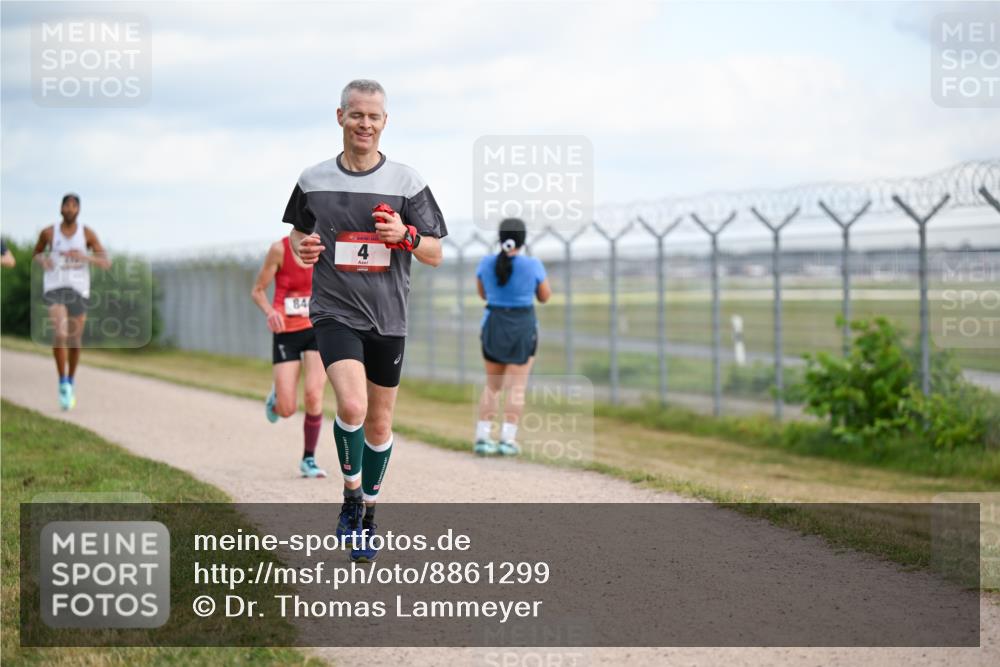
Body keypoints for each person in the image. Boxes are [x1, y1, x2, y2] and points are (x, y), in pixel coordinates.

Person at [283, 79, 446, 562]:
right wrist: (303, 247)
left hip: (388, 317)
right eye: (356, 115)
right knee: (351, 406)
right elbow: (297, 236)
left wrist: (406, 234)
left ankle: (369, 514)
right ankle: (351, 497)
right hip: (334, 311)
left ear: (385, 122)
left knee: (379, 422)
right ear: (340, 117)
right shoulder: (313, 179)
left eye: (374, 116)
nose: (365, 124)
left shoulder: (407, 182)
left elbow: (435, 252)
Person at [250, 235, 328, 479]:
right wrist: (270, 312)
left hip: (318, 328)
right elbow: (258, 290)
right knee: (286, 410)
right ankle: (276, 398)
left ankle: (309, 459)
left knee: (314, 394)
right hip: (286, 331)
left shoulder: (326, 246)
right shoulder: (279, 249)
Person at [474, 218, 551, 456]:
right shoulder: (533, 264)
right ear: (523, 238)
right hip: (523, 328)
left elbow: (483, 294)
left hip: (493, 324)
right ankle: (507, 441)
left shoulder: (486, 263)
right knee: (517, 388)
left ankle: (483, 438)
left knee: (493, 386)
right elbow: (545, 296)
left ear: (500, 236)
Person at [32, 193, 111, 410]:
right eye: (66, 205)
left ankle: (71, 379)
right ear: (60, 209)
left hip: (79, 288)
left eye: (74, 205)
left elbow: (106, 262)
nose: (70, 208)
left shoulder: (87, 233)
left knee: (75, 341)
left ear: (79, 210)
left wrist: (85, 257)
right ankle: (62, 383)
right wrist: (43, 260)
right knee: (60, 333)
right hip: (55, 286)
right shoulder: (49, 233)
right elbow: (36, 254)